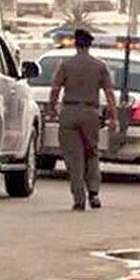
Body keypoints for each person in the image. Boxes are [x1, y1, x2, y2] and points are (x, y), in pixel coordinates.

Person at [48, 29, 118, 211]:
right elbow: (109, 93)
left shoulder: (66, 65)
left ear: (75, 44)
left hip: (69, 111)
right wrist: (113, 117)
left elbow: (55, 89)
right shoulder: (100, 66)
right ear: (90, 45)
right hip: (90, 113)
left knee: (74, 158)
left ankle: (79, 198)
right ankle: (94, 193)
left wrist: (52, 108)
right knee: (91, 153)